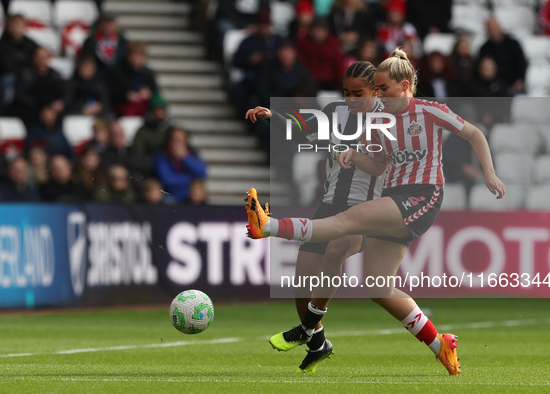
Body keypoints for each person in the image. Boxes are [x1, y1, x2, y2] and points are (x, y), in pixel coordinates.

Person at [244, 48, 506, 376]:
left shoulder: (425, 111)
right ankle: (440, 344)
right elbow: (375, 161)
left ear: (398, 86)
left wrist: (489, 173)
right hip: (383, 199)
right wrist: (353, 155)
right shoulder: (375, 122)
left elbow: (473, 133)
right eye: (356, 92)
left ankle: (268, 226)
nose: (372, 96)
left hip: (414, 197)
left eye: (377, 89)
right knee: (376, 286)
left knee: (342, 230)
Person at [245, 60, 385, 373]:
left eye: (357, 93)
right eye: (346, 92)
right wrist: (273, 116)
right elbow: (305, 126)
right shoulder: (336, 113)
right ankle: (318, 342)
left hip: (367, 209)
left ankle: (306, 329)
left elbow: (389, 165)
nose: (351, 99)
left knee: (337, 250)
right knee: (302, 281)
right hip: (329, 205)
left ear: (375, 90)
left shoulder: (388, 120)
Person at [0, 14, 38, 115]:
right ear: (8, 26)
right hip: (8, 76)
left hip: (27, 74)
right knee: (8, 80)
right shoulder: (2, 44)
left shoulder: (31, 44)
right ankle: (4, 111)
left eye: (19, 25)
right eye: (14, 25)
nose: (16, 28)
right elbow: (6, 65)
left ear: (24, 27)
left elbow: (37, 59)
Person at [11, 46, 65, 126]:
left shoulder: (55, 75)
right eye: (39, 57)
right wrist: (41, 107)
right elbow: (20, 95)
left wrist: (54, 106)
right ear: (33, 58)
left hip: (51, 111)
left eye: (44, 57)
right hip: (30, 112)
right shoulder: (25, 74)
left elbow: (61, 94)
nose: (41, 60)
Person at [154, 127, 207, 204]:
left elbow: (203, 173)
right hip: (170, 196)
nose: (176, 143)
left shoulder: (192, 154)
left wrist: (184, 157)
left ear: (186, 141)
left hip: (191, 197)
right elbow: (168, 180)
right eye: (173, 139)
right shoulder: (162, 155)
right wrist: (192, 178)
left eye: (179, 140)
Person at [478, 18, 527, 96]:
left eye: (494, 27)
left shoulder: (513, 44)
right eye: (489, 29)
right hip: (493, 86)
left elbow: (522, 63)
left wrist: (520, 81)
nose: (492, 31)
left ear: (499, 27)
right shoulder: (485, 48)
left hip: (513, 85)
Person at [108, 42, 158, 117]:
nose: (137, 58)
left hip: (144, 109)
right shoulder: (118, 71)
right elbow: (111, 91)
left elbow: (155, 91)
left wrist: (148, 93)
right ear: (129, 56)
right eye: (135, 55)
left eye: (140, 55)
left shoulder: (148, 73)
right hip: (122, 109)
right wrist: (127, 96)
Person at [81, 12, 128, 78]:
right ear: (100, 24)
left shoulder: (122, 41)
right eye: (105, 23)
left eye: (111, 23)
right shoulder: (91, 41)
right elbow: (87, 59)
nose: (108, 26)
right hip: (97, 77)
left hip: (117, 77)